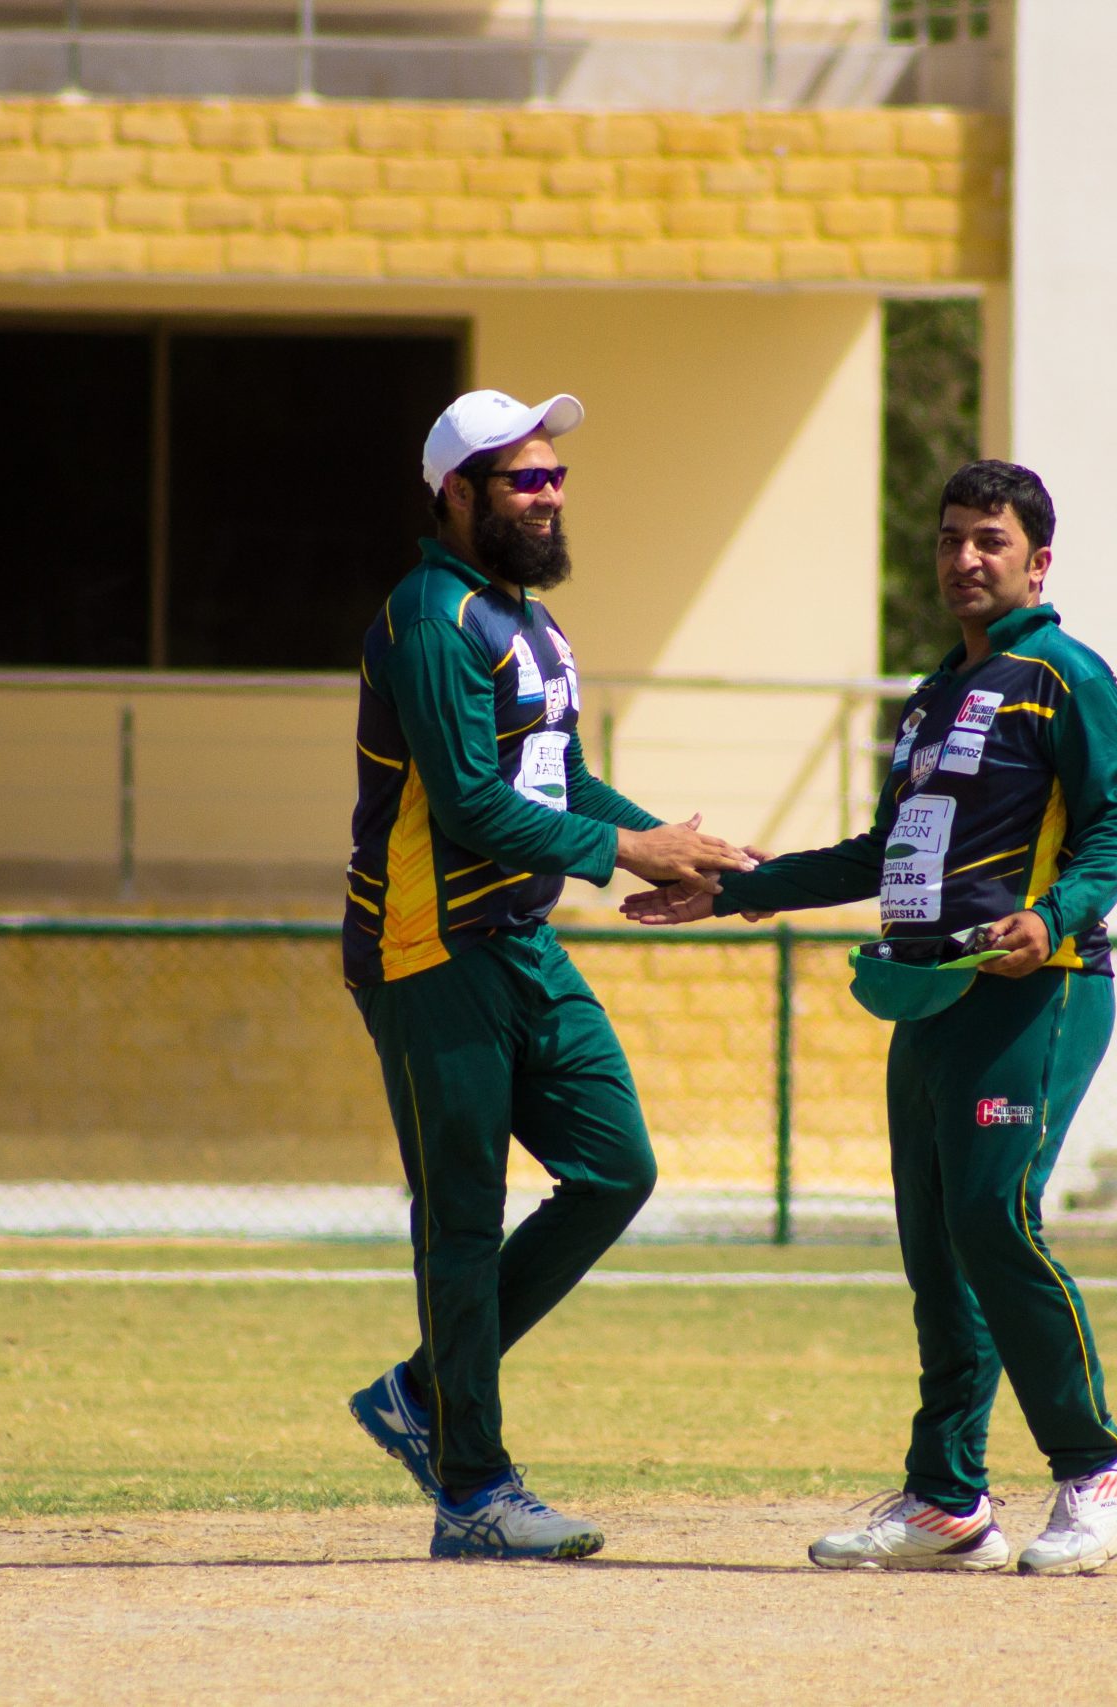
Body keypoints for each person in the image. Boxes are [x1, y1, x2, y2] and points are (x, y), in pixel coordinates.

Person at [623, 459, 1117, 1576]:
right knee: (937, 1248)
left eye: (990, 541)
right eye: (951, 538)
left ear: (1038, 563)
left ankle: (1103, 1464)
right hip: (929, 996)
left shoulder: (1065, 675)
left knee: (991, 1216)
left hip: (1036, 991)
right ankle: (948, 1501)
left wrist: (1050, 916)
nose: (965, 558)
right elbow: (881, 854)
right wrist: (732, 889)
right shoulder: (930, 697)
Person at [342, 388, 755, 1561]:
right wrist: (626, 852)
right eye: (523, 478)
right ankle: (473, 1487)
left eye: (555, 475)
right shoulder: (430, 618)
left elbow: (559, 781)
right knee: (462, 1220)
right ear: (457, 494)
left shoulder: (524, 620)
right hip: (427, 946)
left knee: (616, 1167)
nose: (549, 494)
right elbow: (471, 804)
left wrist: (677, 847)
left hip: (518, 940)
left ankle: (422, 1392)